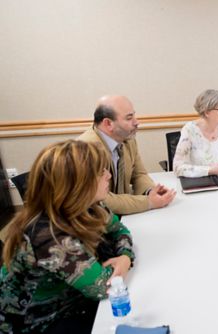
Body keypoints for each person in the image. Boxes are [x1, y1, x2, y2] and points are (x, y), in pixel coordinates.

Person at [0, 140, 135, 333]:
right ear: (77, 184)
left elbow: (120, 231)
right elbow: (102, 287)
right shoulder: (48, 235)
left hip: (71, 302)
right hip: (39, 322)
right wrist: (123, 263)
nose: (108, 175)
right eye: (100, 172)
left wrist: (124, 258)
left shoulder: (91, 207)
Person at [79, 95, 176, 215]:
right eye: (129, 118)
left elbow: (139, 174)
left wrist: (150, 191)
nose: (136, 122)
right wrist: (148, 202)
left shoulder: (127, 138)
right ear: (108, 123)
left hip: (123, 216)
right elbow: (101, 199)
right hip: (97, 221)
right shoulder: (85, 149)